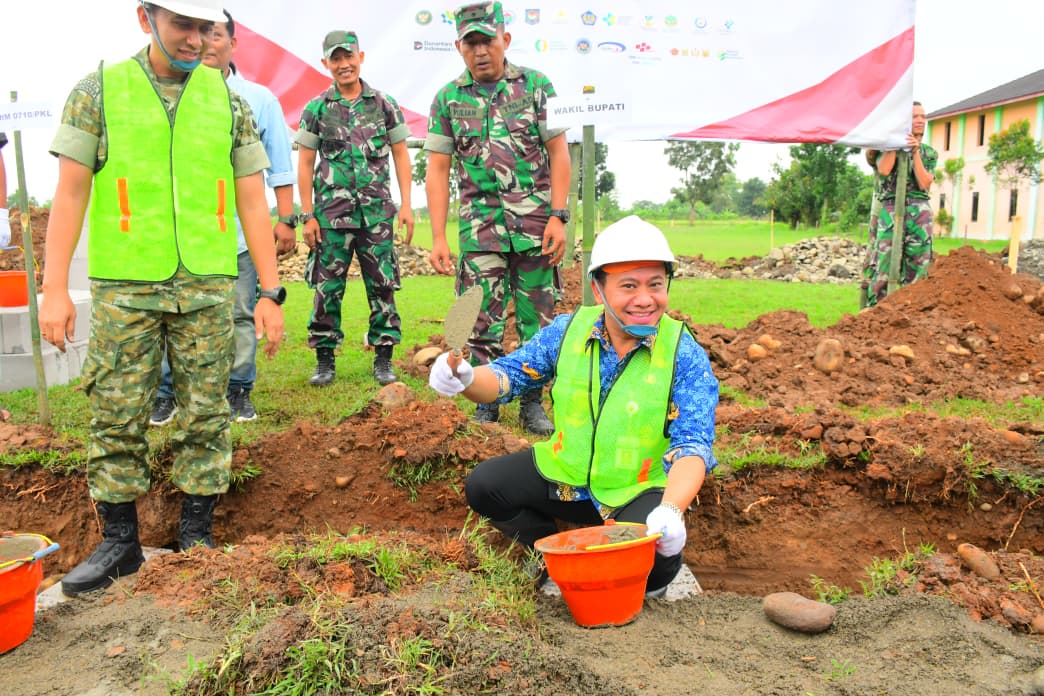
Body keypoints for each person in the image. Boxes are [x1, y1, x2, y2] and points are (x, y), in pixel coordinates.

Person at [39, 0, 285, 597]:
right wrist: (52, 288)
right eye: (184, 25)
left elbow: (254, 199)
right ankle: (120, 543)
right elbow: (69, 196)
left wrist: (271, 291)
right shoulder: (98, 91)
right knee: (117, 414)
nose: (198, 40)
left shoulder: (227, 101)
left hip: (207, 285)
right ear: (145, 17)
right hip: (126, 287)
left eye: (208, 28)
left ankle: (196, 537)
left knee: (207, 412)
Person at [428, 216, 719, 596]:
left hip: (634, 489)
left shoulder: (684, 352)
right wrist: (465, 378)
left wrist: (671, 510)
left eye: (655, 285)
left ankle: (623, 556)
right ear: (598, 290)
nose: (645, 299)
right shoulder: (568, 331)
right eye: (628, 286)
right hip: (566, 479)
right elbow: (507, 378)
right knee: (485, 486)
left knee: (654, 565)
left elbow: (693, 444)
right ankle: (550, 552)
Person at [424, 0, 570, 436]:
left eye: (487, 40)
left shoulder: (538, 86)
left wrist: (559, 215)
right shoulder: (448, 99)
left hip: (535, 227)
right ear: (459, 47)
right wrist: (437, 236)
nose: (480, 50)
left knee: (537, 320)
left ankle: (531, 402)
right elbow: (437, 169)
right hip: (479, 229)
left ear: (505, 40)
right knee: (476, 318)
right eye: (471, 43)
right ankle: (483, 399)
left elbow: (559, 152)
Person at [150, 9, 296, 426]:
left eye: (212, 33)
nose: (203, 42)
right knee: (171, 315)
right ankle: (167, 393)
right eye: (195, 31)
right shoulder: (170, 96)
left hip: (236, 237)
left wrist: (286, 219)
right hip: (180, 238)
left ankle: (238, 391)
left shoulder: (257, 100)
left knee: (240, 315)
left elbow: (279, 168)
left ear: (232, 42)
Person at [295, 30, 414, 388]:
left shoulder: (383, 104)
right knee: (327, 289)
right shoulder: (317, 109)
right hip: (331, 217)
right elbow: (304, 164)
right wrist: (307, 214)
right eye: (336, 58)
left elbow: (401, 155)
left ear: (361, 57)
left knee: (382, 287)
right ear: (326, 63)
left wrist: (406, 204)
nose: (343, 64)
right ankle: (325, 359)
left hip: (376, 216)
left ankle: (383, 358)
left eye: (349, 57)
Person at [861, 101, 937, 307]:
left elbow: (924, 182)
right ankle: (876, 310)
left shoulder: (929, 153)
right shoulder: (884, 148)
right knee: (883, 263)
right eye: (915, 117)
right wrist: (896, 144)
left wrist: (914, 152)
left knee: (918, 265)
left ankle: (911, 312)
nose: (920, 120)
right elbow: (884, 170)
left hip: (919, 212)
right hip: (891, 209)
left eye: (923, 116)